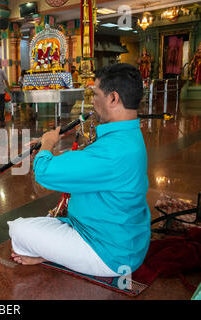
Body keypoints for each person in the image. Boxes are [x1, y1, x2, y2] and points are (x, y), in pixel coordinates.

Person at [8, 63, 150, 278]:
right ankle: (58, 252)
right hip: (121, 237)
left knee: (18, 230)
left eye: (95, 94)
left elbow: (45, 174)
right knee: (37, 224)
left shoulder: (114, 151)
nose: (92, 101)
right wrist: (49, 146)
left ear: (113, 99)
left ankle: (56, 254)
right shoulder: (127, 136)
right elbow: (87, 162)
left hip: (109, 253)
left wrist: (46, 146)